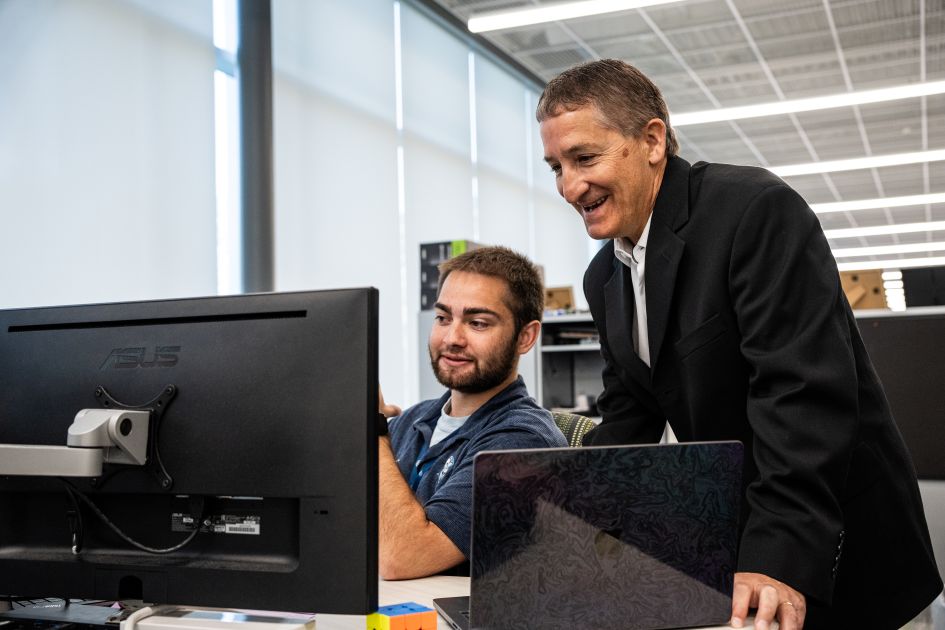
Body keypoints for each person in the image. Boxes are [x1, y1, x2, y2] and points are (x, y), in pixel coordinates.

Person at [537, 58, 942, 630]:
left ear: (652, 140)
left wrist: (776, 556)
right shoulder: (605, 277)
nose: (569, 186)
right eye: (555, 166)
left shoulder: (751, 211)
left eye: (584, 158)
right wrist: (572, 527)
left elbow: (801, 395)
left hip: (826, 531)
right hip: (737, 527)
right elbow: (629, 412)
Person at [377, 246, 567, 580]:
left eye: (477, 323)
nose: (452, 338)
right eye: (442, 318)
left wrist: (370, 430)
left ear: (526, 337)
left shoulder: (525, 442)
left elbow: (402, 557)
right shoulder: (411, 422)